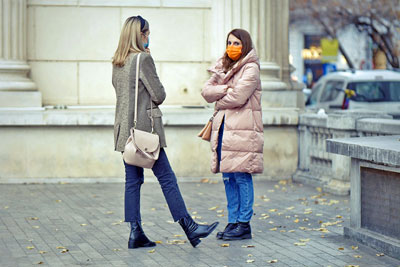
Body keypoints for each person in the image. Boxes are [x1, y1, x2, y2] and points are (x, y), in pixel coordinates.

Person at [112, 15, 218, 249]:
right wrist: (150, 63)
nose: (149, 37)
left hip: (124, 133)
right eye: (146, 33)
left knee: (132, 181)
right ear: (139, 35)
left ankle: (135, 232)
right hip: (144, 134)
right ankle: (189, 227)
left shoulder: (117, 62)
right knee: (167, 178)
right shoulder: (143, 59)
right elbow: (159, 95)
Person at [201, 29, 264, 241]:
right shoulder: (224, 64)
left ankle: (244, 224)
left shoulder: (251, 68)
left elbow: (238, 97)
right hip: (224, 131)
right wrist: (225, 90)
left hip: (243, 132)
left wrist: (221, 94)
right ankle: (233, 220)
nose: (232, 46)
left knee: (241, 176)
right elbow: (206, 91)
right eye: (229, 42)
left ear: (245, 45)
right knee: (228, 177)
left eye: (236, 43)